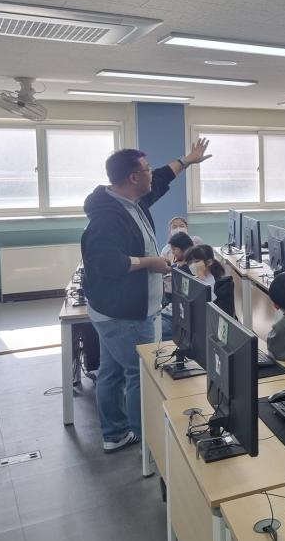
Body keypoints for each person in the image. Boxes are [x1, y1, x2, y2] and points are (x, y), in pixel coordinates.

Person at [81, 138, 211, 452]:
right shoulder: (107, 217)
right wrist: (150, 262)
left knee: (111, 371)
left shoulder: (130, 201)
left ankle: (115, 434)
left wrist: (187, 160)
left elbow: (163, 178)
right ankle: (147, 442)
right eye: (147, 169)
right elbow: (106, 263)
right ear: (133, 177)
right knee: (140, 373)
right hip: (124, 314)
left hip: (115, 310)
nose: (152, 173)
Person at [183, 244, 236, 318]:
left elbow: (218, 310)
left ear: (209, 262)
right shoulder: (191, 279)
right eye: (189, 263)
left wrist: (201, 279)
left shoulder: (224, 284)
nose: (192, 265)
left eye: (196, 261)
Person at [161, 230, 194, 341]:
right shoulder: (180, 266)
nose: (172, 252)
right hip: (172, 311)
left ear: (186, 249)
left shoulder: (190, 270)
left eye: (174, 249)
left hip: (176, 317)